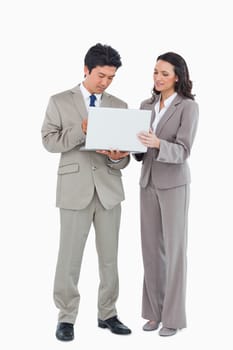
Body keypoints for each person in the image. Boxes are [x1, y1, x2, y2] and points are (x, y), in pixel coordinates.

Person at [41, 43, 131, 341]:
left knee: (110, 258)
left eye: (111, 77)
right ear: (86, 70)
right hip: (74, 189)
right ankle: (66, 316)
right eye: (101, 76)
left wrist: (119, 156)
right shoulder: (59, 101)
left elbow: (125, 158)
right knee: (69, 257)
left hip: (108, 190)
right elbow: (49, 142)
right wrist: (81, 129)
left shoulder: (118, 105)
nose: (105, 82)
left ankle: (108, 313)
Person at [135, 52, 199, 337]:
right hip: (147, 181)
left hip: (174, 184)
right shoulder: (145, 105)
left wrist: (158, 143)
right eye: (155, 72)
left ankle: (172, 317)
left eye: (164, 73)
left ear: (177, 76)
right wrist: (128, 146)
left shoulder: (188, 107)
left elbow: (184, 151)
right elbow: (139, 148)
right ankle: (153, 313)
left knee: (174, 252)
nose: (158, 78)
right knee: (150, 250)